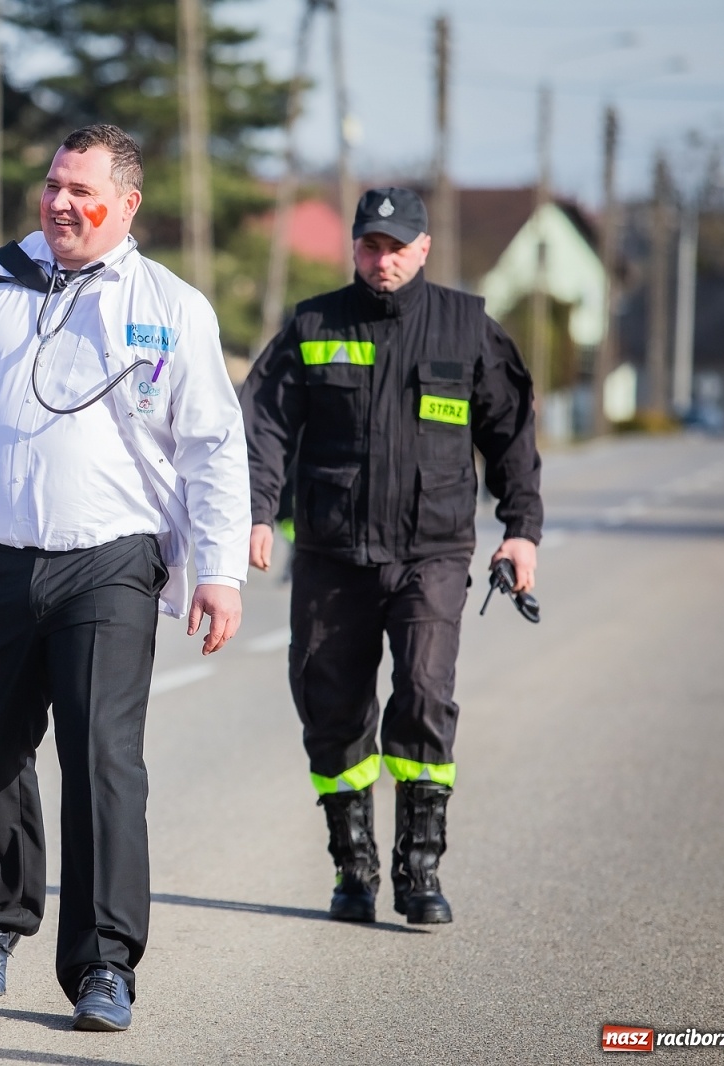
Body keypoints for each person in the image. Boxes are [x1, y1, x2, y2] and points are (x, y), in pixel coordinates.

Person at [0, 124, 251, 1032]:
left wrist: (219, 570)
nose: (62, 203)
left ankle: (104, 965)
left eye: (84, 191)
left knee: (103, 759)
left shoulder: (172, 307)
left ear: (128, 205)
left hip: (111, 562)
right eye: (54, 185)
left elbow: (214, 448)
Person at [240, 187, 543, 926]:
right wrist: (252, 514)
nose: (383, 259)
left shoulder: (466, 328)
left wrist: (522, 528)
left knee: (425, 697)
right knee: (330, 706)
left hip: (430, 552)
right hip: (330, 553)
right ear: (354, 247)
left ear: (425, 247)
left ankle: (419, 870)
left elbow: (510, 433)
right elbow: (264, 427)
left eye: (397, 246)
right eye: (372, 245)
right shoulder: (313, 325)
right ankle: (354, 870)